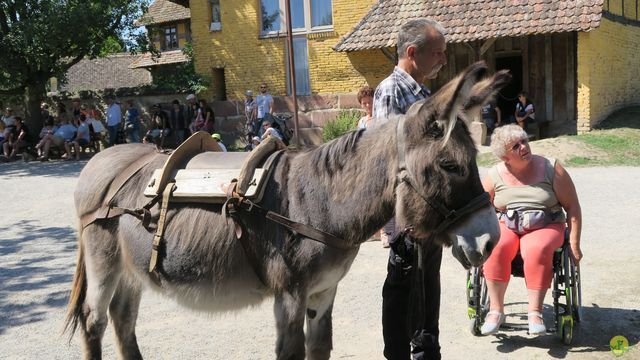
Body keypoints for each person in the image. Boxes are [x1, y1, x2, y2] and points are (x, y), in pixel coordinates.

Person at [372, 18, 447, 360]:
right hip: (408, 215)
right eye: (438, 53)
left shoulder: (421, 92)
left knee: (427, 283)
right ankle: (403, 354)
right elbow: (391, 161)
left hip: (429, 210)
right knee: (405, 285)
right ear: (413, 53)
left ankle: (427, 349)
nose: (442, 60)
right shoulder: (392, 90)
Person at [480, 124, 582, 336]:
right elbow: (480, 209)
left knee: (536, 249)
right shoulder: (494, 175)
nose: (524, 147)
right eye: (515, 146)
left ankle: (535, 312)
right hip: (508, 224)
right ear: (505, 157)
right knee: (496, 247)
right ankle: (495, 311)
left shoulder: (551, 167)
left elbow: (572, 206)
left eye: (524, 141)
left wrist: (573, 242)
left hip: (547, 224)